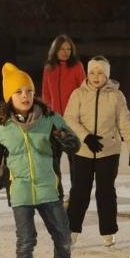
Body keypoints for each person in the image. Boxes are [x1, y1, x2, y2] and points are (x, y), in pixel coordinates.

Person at [0, 63, 89, 258]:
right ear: (9, 97)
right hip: (21, 192)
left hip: (49, 189)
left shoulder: (50, 119)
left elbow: (75, 145)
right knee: (26, 240)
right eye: (18, 92)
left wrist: (66, 139)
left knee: (63, 235)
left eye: (28, 91)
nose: (25, 96)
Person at [64, 56, 130, 248]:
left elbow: (125, 123)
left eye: (100, 73)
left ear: (107, 75)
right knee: (79, 191)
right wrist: (86, 137)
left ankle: (108, 231)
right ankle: (71, 230)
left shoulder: (116, 96)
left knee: (106, 192)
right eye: (92, 72)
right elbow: (70, 119)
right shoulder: (78, 94)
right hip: (83, 151)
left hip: (109, 152)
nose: (96, 77)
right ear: (87, 74)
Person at [42, 34, 86, 193]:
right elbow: (46, 95)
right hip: (54, 122)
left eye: (69, 49)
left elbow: (84, 92)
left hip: (72, 121)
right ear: (55, 50)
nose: (66, 52)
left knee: (75, 160)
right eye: (62, 49)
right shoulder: (48, 68)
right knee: (53, 159)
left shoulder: (77, 66)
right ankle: (56, 191)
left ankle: (77, 192)